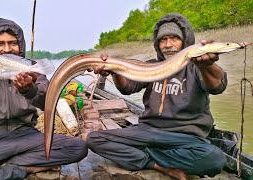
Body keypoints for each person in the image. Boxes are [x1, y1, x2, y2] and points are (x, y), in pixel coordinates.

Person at [86, 13, 231, 180]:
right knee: (94, 139)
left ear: (185, 40)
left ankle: (143, 156)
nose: (168, 45)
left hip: (184, 136)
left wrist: (208, 65)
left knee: (215, 159)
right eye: (163, 40)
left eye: (174, 38)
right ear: (157, 44)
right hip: (147, 131)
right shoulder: (151, 66)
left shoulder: (197, 67)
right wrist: (115, 71)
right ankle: (158, 165)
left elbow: (218, 86)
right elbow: (127, 88)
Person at [0, 18, 88, 180]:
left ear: (21, 44)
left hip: (27, 136)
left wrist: (30, 91)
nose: (6, 49)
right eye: (0, 44)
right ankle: (24, 168)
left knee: (78, 148)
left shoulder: (31, 69)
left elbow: (49, 102)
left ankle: (5, 165)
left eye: (12, 43)